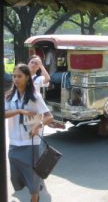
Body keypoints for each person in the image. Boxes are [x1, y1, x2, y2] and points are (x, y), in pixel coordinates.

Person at [5, 64, 53, 202]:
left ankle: (35, 195)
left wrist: (39, 124)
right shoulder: (9, 96)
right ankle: (36, 188)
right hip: (14, 142)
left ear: (27, 77)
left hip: (31, 142)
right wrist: (20, 111)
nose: (16, 79)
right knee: (16, 176)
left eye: (19, 76)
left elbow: (49, 116)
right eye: (14, 76)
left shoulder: (35, 96)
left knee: (33, 179)